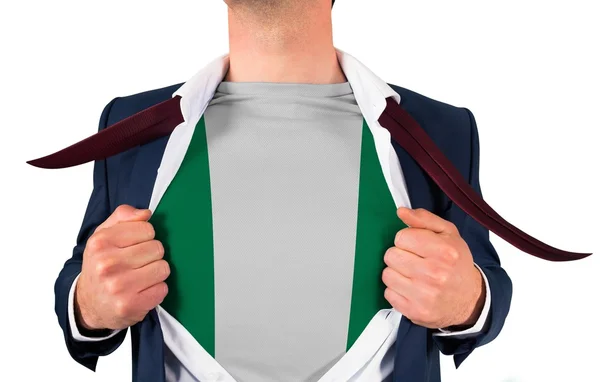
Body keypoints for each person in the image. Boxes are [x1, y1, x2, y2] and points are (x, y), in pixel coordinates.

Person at [43, 1, 517, 381]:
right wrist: (89, 303)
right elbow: (80, 284)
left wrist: (468, 301)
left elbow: (486, 284)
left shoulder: (443, 130)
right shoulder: (129, 126)